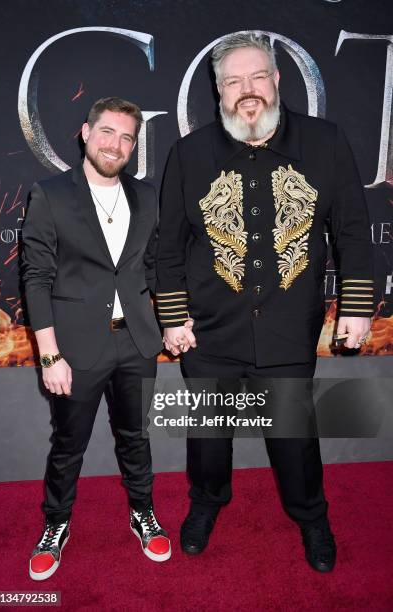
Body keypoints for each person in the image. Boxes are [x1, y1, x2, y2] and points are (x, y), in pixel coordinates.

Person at [156, 32, 374, 572]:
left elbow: (351, 231)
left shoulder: (325, 141)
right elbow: (168, 247)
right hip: (208, 329)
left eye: (257, 77)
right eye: (233, 81)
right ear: (218, 91)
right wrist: (173, 315)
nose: (246, 90)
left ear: (277, 81)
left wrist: (356, 306)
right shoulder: (189, 153)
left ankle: (311, 516)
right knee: (207, 436)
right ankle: (206, 504)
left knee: (294, 435)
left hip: (288, 326)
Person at [22, 97, 171, 581]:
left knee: (136, 437)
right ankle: (56, 523)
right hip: (75, 348)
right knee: (68, 444)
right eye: (107, 132)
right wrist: (50, 355)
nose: (117, 145)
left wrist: (173, 321)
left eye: (127, 137)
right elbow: (36, 277)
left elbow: (153, 269)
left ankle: (142, 513)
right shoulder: (51, 194)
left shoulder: (147, 196)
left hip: (136, 344)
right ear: (85, 133)